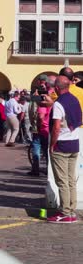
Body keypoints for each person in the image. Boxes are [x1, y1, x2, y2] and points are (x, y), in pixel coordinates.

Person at [47, 76, 82, 224]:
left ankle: (65, 212)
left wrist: (52, 144)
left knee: (62, 181)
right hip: (74, 142)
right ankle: (72, 209)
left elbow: (56, 127)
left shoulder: (59, 104)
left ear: (56, 88)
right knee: (71, 180)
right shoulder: (75, 99)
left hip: (61, 144)